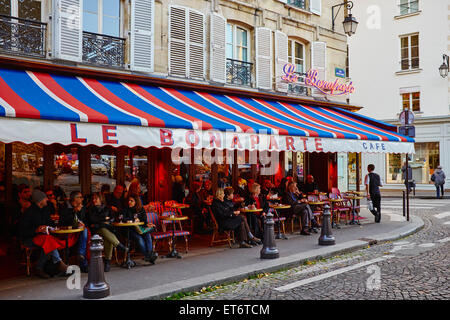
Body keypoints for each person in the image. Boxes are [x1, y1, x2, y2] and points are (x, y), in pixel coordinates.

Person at [19, 189, 68, 278]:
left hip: (44, 237)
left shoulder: (45, 209)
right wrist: (36, 230)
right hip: (30, 239)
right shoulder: (29, 212)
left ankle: (39, 267)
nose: (47, 200)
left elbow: (50, 223)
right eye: (45, 198)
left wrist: (50, 227)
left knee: (49, 242)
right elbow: (22, 231)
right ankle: (58, 263)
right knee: (49, 240)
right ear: (40, 200)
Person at [87, 192, 128, 272]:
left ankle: (107, 262)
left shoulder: (107, 208)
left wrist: (102, 221)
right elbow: (92, 220)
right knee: (103, 230)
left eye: (96, 198)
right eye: (93, 199)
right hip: (95, 231)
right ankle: (118, 246)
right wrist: (104, 220)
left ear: (101, 199)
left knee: (107, 238)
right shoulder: (90, 209)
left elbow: (112, 218)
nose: (94, 200)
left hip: (106, 229)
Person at [122, 194, 158, 264]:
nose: (129, 202)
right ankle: (149, 256)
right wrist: (133, 220)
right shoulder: (126, 209)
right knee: (139, 238)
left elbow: (144, 220)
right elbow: (123, 218)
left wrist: (147, 224)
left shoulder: (141, 209)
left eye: (131, 201)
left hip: (140, 229)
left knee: (148, 236)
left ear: (136, 202)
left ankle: (149, 255)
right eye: (129, 200)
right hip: (130, 229)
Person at [59, 191, 89, 272]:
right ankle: (83, 261)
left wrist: (81, 222)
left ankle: (81, 256)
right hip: (67, 233)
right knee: (84, 234)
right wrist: (74, 211)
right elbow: (63, 221)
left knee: (85, 230)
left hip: (78, 232)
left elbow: (84, 220)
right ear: (75, 199)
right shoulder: (65, 207)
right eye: (80, 197)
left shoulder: (82, 207)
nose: (82, 199)